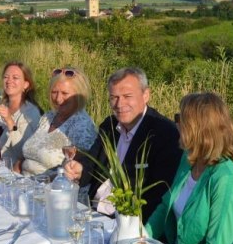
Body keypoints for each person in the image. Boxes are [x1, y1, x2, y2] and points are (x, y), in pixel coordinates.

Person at [145, 92, 233, 244]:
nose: (176, 123)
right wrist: (142, 238)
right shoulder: (189, 159)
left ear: (199, 128)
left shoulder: (227, 179)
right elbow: (165, 205)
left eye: (180, 118)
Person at [65, 67, 182, 220]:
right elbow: (92, 162)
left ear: (146, 95)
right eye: (114, 97)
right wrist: (80, 168)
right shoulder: (110, 125)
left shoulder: (164, 134)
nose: (120, 104)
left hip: (129, 220)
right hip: (93, 213)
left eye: (127, 96)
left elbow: (160, 193)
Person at [20, 67, 97, 176]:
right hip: (24, 183)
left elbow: (78, 172)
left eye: (65, 93)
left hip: (51, 188)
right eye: (54, 92)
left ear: (79, 95)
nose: (58, 99)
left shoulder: (82, 125)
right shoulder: (48, 116)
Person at [0, 61, 43, 166]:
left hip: (10, 170)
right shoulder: (2, 105)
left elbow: (23, 152)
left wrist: (10, 122)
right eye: (6, 77)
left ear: (26, 84)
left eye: (15, 78)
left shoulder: (31, 113)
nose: (9, 81)